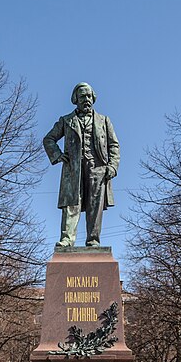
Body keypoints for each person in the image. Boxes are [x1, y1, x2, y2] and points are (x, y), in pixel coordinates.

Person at [43, 82, 120, 247]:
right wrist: (57, 155)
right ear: (75, 99)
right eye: (83, 96)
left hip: (97, 168)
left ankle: (93, 240)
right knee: (72, 203)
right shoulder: (66, 120)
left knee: (95, 205)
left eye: (89, 96)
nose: (87, 99)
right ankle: (67, 239)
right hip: (73, 169)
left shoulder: (104, 121)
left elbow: (114, 145)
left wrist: (112, 166)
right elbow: (49, 139)